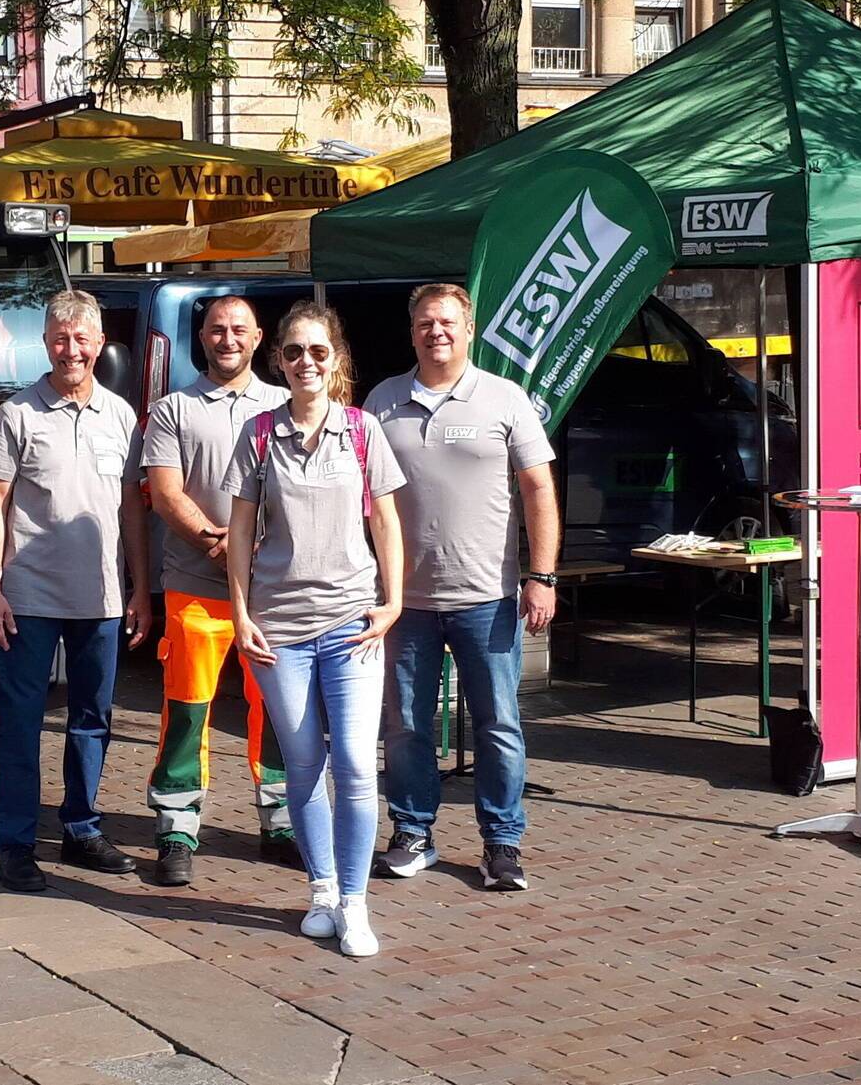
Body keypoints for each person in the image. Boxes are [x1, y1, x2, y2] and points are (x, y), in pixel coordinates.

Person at [224, 301, 406, 957]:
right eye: (295, 351)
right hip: (280, 629)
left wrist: (394, 600)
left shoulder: (361, 430)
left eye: (318, 352)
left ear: (337, 361)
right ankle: (323, 889)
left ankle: (355, 903)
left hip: (352, 623)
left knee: (356, 764)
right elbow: (241, 528)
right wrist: (241, 613)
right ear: (279, 358)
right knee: (302, 765)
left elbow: (385, 521)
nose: (306, 362)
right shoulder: (257, 433)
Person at [365, 283, 558, 893]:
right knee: (405, 725)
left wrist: (542, 575)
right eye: (425, 323)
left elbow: (539, 491)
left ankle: (502, 844)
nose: (435, 332)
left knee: (498, 724)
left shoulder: (505, 399)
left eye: (447, 322)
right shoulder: (382, 402)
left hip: (488, 597)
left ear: (469, 329)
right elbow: (364, 498)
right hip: (406, 603)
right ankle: (413, 832)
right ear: (412, 330)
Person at [0, 289, 153, 893]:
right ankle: (16, 843)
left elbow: (132, 508)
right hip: (26, 597)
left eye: (82, 339)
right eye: (60, 338)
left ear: (100, 344)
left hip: (102, 598)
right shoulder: (18, 413)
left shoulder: (123, 417)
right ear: (46, 343)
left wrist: (140, 587)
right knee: (23, 723)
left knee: (92, 720)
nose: (71, 349)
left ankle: (81, 828)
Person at [136, 295, 294, 887]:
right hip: (197, 588)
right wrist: (219, 542)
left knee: (279, 710)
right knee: (187, 711)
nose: (227, 339)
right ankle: (176, 829)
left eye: (238, 330)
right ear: (201, 338)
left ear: (259, 339)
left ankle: (280, 823)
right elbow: (165, 491)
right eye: (216, 330)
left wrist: (259, 549)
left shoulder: (286, 405)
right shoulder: (174, 410)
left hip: (273, 593)